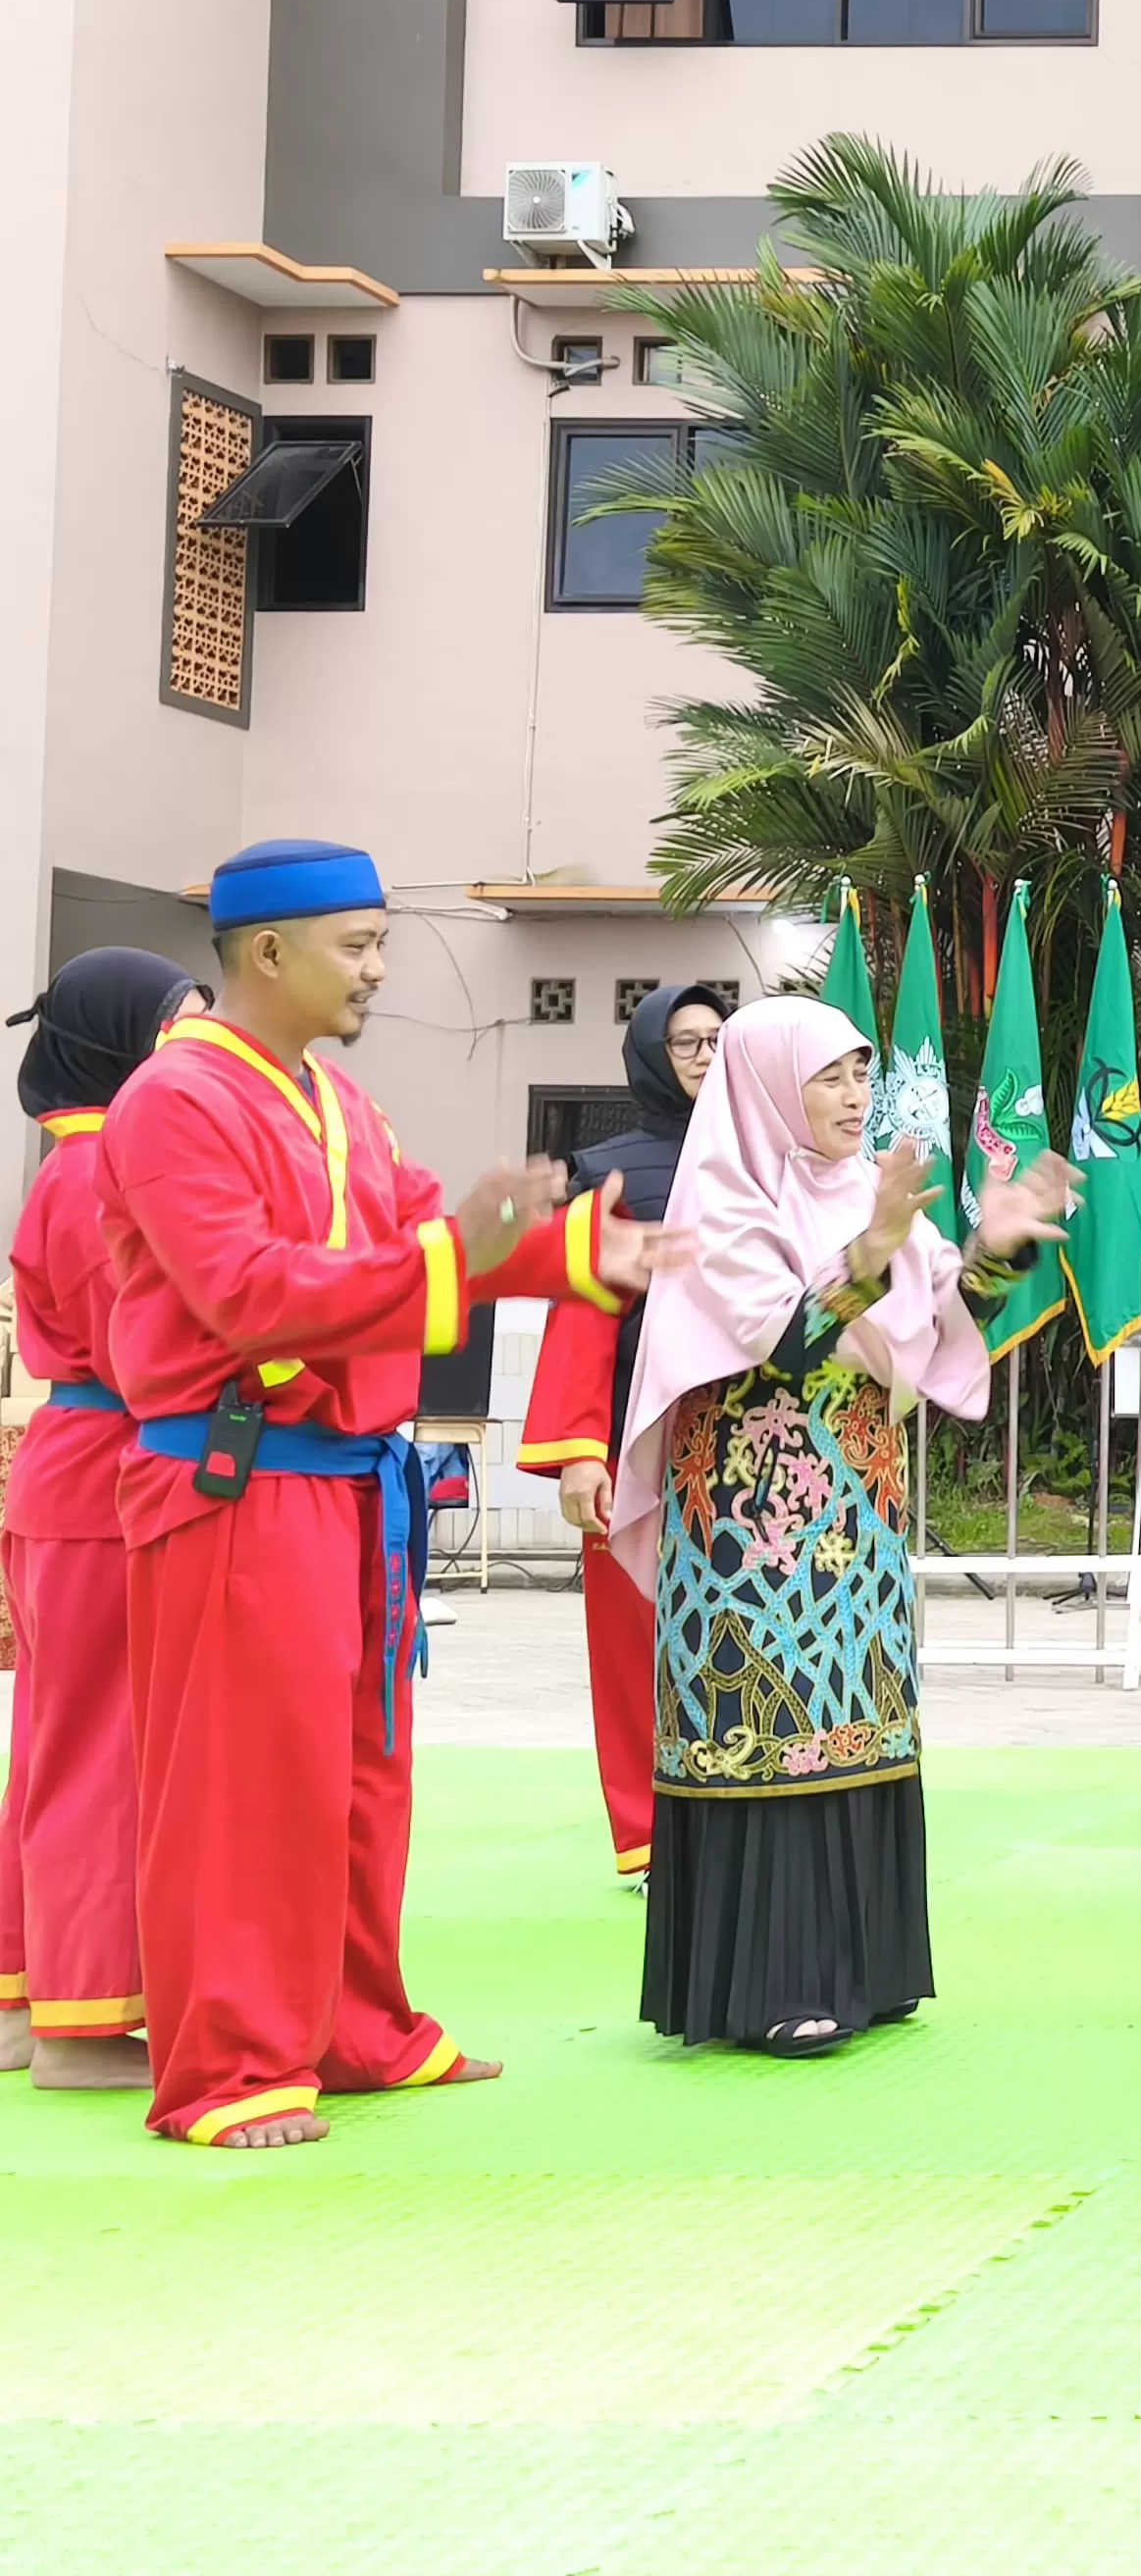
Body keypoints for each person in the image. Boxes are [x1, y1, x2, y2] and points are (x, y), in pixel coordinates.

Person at [97, 840, 677, 2147]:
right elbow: (248, 1292)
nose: (377, 968)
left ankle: (354, 2027)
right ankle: (232, 2067)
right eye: (357, 945)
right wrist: (464, 1254)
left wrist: (591, 1250)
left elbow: (423, 1229)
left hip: (351, 1487)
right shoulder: (174, 1106)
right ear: (267, 954)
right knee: (247, 1784)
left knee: (360, 1772)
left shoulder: (340, 1106)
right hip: (237, 1482)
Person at [607, 995, 1072, 2057]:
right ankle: (770, 1984)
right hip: (744, 1529)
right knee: (769, 1729)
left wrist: (994, 1256)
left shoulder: (867, 1193)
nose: (856, 1096)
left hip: (858, 1514)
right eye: (831, 1077)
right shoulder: (722, 1199)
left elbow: (935, 1329)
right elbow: (784, 1340)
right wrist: (870, 1251)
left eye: (863, 1074)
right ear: (770, 1084)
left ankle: (865, 1967)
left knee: (859, 1715)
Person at [1, 949, 197, 2089]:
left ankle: (35, 2000)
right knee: (95, 1754)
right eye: (175, 1025)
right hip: (104, 1474)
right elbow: (145, 1344)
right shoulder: (99, 1170)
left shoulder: (75, 1164)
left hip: (73, 1474)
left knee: (54, 1749)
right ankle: (78, 2026)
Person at [519, 979, 729, 1883]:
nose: (706, 1057)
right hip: (634, 1432)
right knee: (631, 1635)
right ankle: (646, 1836)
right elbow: (583, 1315)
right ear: (650, 1052)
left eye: (720, 1039)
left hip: (743, 1436)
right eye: (686, 1042)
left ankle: (736, 1810)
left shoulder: (770, 1160)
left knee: (736, 1629)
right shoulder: (609, 1174)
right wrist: (580, 1450)